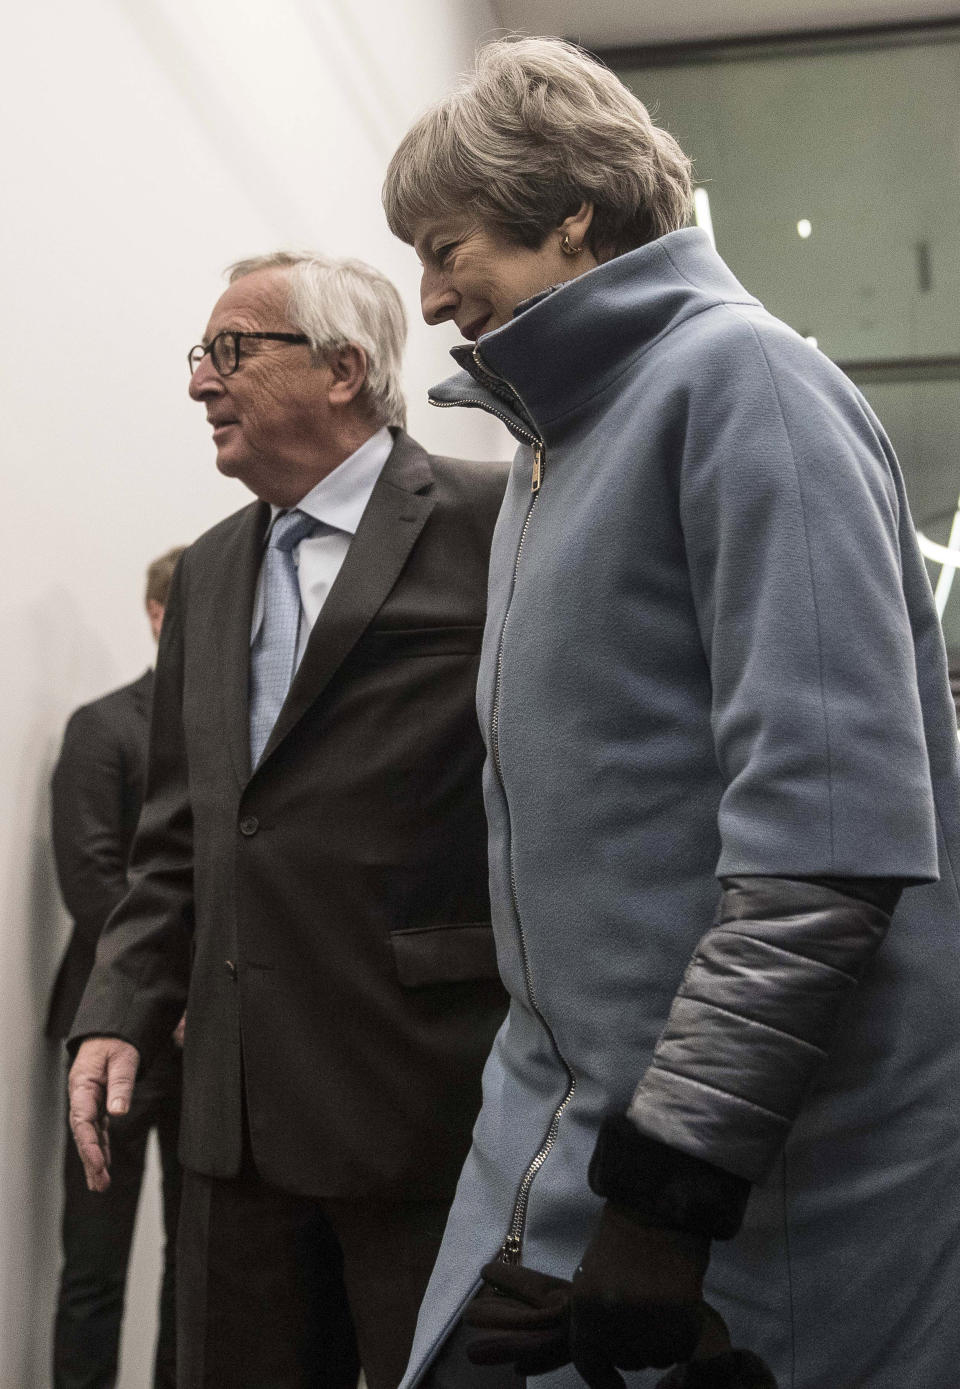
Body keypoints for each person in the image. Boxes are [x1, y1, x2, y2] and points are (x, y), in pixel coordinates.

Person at [382, 36, 960, 1389]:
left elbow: (824, 849)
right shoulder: (555, 443)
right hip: (568, 1142)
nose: (424, 297)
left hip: (757, 1184)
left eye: (443, 243)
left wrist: (669, 1196)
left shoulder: (744, 386)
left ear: (570, 208)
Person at [67, 252, 508, 1389]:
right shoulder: (213, 570)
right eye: (200, 356)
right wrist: (119, 1005)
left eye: (231, 351)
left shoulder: (494, 520)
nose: (200, 384)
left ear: (345, 369)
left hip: (419, 1102)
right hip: (236, 1128)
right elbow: (182, 835)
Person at [47, 546, 186, 1389]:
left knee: (193, 1264)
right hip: (112, 1022)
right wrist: (162, 992)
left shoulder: (230, 734)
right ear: (158, 614)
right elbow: (90, 881)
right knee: (95, 1268)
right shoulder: (102, 726)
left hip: (204, 1035)